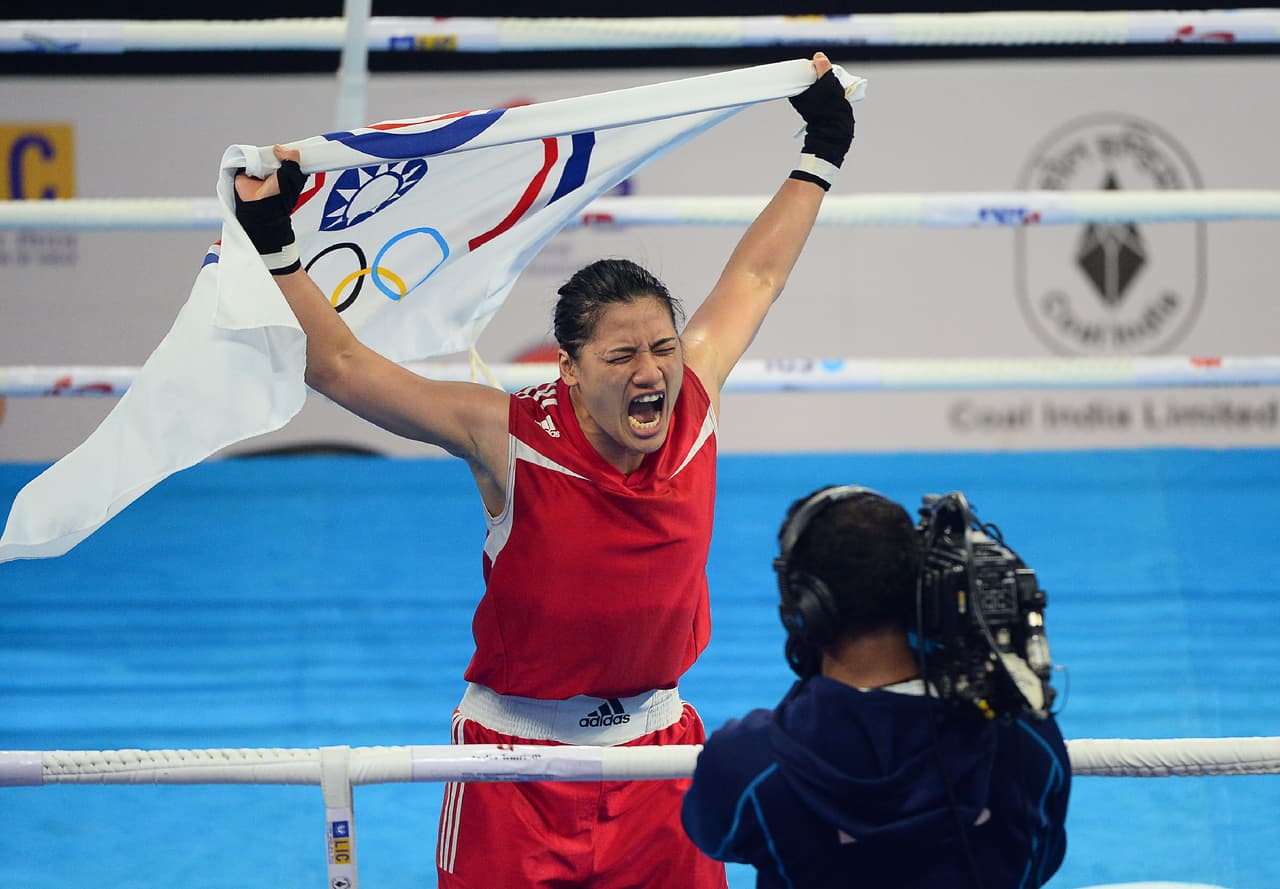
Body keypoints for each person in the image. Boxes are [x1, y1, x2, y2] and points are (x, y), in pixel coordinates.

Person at [233, 54, 854, 889]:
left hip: (657, 756)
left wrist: (822, 147)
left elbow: (756, 275)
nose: (653, 371)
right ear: (569, 368)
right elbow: (340, 366)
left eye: (663, 348)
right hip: (511, 767)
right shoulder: (506, 435)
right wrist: (273, 245)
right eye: (623, 354)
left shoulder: (696, 398)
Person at [681, 486, 1071, 889]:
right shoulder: (1024, 740)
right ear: (925, 591)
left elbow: (712, 833)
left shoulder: (748, 766)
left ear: (806, 608)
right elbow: (1042, 856)